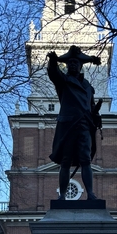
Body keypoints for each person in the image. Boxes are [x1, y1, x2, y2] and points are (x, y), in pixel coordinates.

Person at [46, 46, 103, 200]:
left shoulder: (88, 87)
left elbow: (91, 107)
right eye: (70, 62)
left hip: (84, 125)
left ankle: (90, 194)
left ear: (80, 66)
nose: (72, 65)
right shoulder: (63, 81)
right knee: (65, 161)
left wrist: (96, 114)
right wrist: (52, 61)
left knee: (86, 160)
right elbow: (53, 73)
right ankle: (62, 196)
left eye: (75, 63)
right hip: (68, 125)